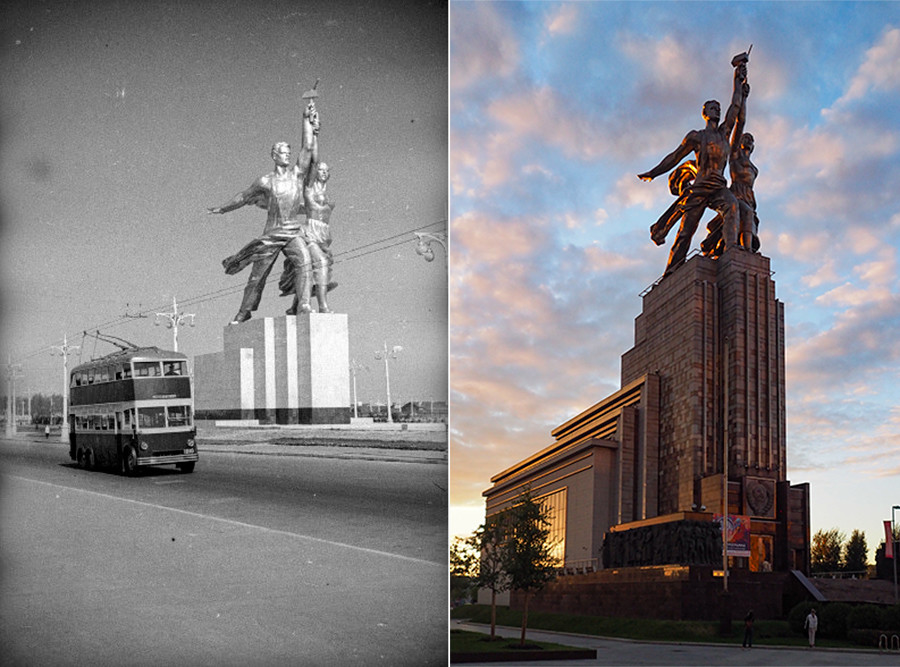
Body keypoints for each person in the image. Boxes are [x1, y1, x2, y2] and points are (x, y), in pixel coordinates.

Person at [208, 98, 320, 324]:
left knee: (304, 261)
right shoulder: (265, 182)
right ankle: (244, 312)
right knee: (257, 276)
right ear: (274, 155)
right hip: (271, 234)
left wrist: (306, 119)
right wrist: (223, 208)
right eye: (283, 152)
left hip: (291, 231)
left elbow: (308, 147)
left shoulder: (296, 175)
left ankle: (305, 304)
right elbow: (244, 196)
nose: (288, 155)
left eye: (289, 152)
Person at [638, 52, 748, 276]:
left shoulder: (724, 133)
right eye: (712, 107)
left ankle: (731, 251)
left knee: (732, 206)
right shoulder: (696, 136)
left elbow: (735, 107)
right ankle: (671, 272)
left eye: (718, 107)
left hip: (718, 186)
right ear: (704, 113)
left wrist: (738, 76)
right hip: (699, 187)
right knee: (686, 232)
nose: (717, 109)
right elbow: (674, 157)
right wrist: (654, 172)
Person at [279, 159, 337, 313]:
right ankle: (323, 306)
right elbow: (312, 160)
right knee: (321, 263)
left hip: (323, 236)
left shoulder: (327, 194)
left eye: (326, 170)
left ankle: (294, 307)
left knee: (309, 270)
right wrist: (313, 136)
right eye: (320, 170)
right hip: (310, 233)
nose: (324, 172)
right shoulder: (309, 190)